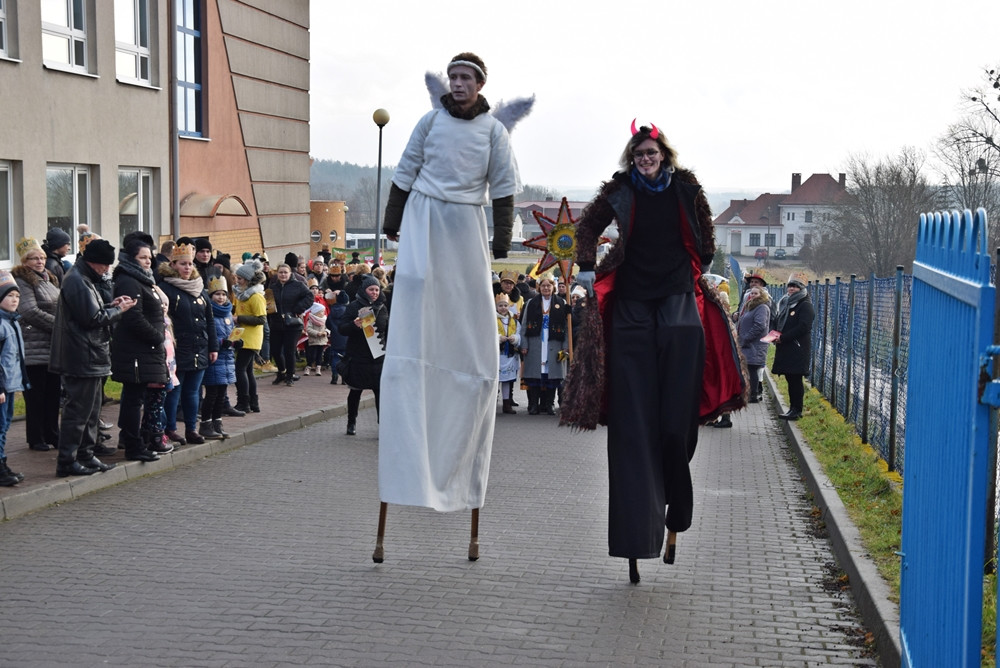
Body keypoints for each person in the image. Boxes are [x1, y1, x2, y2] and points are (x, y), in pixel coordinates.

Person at [568, 121, 745, 583]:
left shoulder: (687, 189)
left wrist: (695, 268)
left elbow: (704, 239)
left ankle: (676, 507)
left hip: (677, 300)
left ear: (663, 154)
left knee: (675, 423)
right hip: (630, 305)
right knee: (632, 425)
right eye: (638, 153)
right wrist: (586, 267)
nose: (645, 158)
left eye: (651, 152)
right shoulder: (620, 189)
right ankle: (634, 535)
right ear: (632, 158)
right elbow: (587, 227)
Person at [377, 51, 521, 518]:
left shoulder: (493, 131)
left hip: (463, 218)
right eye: (453, 77)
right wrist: (392, 220)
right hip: (424, 211)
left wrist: (501, 241)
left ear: (480, 84)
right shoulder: (430, 121)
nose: (458, 84)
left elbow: (502, 187)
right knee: (417, 279)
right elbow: (405, 169)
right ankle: (417, 334)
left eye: (466, 78)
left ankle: (457, 338)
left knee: (463, 293)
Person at [50, 238, 135, 476]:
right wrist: (119, 310)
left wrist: (112, 304)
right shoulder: (77, 280)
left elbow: (91, 311)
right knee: (78, 412)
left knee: (91, 412)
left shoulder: (84, 278)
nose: (107, 270)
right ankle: (68, 460)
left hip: (90, 355)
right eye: (105, 265)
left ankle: (85, 455)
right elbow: (92, 319)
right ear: (93, 262)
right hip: (82, 356)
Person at [110, 232, 172, 462]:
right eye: (143, 257)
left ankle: (135, 440)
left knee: (136, 397)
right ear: (131, 258)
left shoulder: (143, 278)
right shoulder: (129, 279)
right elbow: (133, 316)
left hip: (146, 351)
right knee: (133, 399)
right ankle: (132, 444)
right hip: (137, 350)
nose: (149, 261)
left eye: (150, 257)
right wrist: (157, 337)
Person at [158, 242, 218, 445]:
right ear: (173, 265)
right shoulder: (166, 288)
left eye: (190, 264)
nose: (187, 268)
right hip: (178, 348)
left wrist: (213, 347)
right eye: (183, 264)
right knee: (175, 390)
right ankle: (171, 428)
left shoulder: (199, 288)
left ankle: (192, 428)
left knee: (194, 391)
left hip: (199, 347)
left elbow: (209, 319)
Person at [11, 237, 61, 453]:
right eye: (34, 258)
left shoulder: (48, 279)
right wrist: (59, 326)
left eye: (42, 257)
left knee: (53, 394)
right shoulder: (22, 281)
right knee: (37, 396)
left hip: (51, 346)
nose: (40, 261)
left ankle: (52, 432)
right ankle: (36, 437)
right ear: (25, 261)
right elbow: (30, 311)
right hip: (34, 346)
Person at [338, 274, 387, 435]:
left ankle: (382, 426)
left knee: (380, 393)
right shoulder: (354, 306)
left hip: (378, 357)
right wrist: (354, 325)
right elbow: (341, 329)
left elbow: (387, 329)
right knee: (355, 391)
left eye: (376, 289)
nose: (374, 292)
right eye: (371, 289)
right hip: (358, 356)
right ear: (364, 290)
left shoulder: (382, 306)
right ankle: (351, 422)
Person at [519, 275, 568, 415]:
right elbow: (523, 325)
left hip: (554, 342)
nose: (546, 288)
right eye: (543, 285)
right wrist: (524, 344)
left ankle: (549, 404)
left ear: (553, 287)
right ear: (539, 287)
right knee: (535, 374)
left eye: (549, 285)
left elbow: (566, 327)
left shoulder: (561, 302)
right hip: (536, 342)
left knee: (552, 375)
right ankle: (534, 405)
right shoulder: (531, 303)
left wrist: (565, 346)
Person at [199, 276, 240, 440]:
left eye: (223, 294)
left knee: (222, 394)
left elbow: (231, 331)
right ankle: (206, 423)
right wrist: (221, 343)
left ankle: (218, 422)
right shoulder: (209, 313)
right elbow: (208, 335)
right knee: (212, 394)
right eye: (217, 294)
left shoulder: (228, 313)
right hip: (215, 358)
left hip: (227, 357)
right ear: (211, 296)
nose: (221, 297)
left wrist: (236, 341)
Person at [771, 278, 814, 420]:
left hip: (798, 348)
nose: (791, 289)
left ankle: (797, 409)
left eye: (794, 287)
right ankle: (792, 408)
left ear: (801, 289)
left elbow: (803, 327)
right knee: (790, 378)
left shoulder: (805, 305)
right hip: (786, 348)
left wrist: (784, 337)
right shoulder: (786, 303)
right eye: (789, 286)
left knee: (796, 379)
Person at [0, 271, 27, 485]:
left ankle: (3, 463)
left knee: (5, 425)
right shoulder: (1, 325)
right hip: (2, 386)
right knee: (0, 427)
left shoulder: (13, 322)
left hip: (10, 384)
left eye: (17, 296)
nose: (14, 300)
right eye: (9, 296)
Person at [267, 263, 313, 386]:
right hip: (276, 323)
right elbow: (269, 302)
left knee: (289, 350)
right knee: (275, 350)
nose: (283, 275)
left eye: (285, 272)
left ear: (290, 273)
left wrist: (298, 309)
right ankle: (282, 371)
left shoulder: (298, 285)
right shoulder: (273, 287)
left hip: (293, 323)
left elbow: (310, 297)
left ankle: (290, 375)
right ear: (277, 273)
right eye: (280, 272)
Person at [232, 259, 267, 413]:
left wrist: (238, 319)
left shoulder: (256, 296)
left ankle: (243, 402)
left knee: (240, 369)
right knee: (247, 371)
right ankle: (253, 402)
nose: (237, 281)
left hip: (250, 338)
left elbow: (261, 319)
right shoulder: (242, 295)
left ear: (247, 280)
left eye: (240, 279)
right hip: (242, 336)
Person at [737, 286, 771, 405]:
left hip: (755, 344)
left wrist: (746, 338)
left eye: (756, 293)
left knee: (752, 369)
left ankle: (754, 394)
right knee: (748, 368)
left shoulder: (762, 307)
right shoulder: (750, 306)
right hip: (747, 343)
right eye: (751, 293)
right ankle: (749, 392)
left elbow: (760, 325)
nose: (752, 295)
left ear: (761, 295)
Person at [495, 293, 521, 414]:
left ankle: (507, 404)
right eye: (500, 305)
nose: (503, 308)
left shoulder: (514, 321)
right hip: (497, 354)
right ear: (496, 307)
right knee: (496, 380)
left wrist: (515, 338)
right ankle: (493, 403)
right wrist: (498, 338)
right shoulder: (493, 319)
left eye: (505, 305)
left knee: (507, 380)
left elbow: (519, 333)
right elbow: (487, 334)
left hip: (509, 354)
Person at [304, 301, 329, 376]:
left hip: (322, 340)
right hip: (314, 340)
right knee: (312, 355)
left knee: (320, 355)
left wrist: (326, 332)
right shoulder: (311, 320)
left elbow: (328, 327)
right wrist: (316, 333)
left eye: (323, 311)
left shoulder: (325, 319)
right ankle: (308, 366)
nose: (323, 313)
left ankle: (318, 367)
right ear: (316, 312)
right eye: (321, 312)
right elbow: (308, 329)